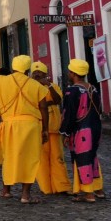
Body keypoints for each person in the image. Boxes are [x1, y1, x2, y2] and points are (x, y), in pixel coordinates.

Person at [0, 55, 50, 204]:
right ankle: (25, 195)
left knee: (9, 157)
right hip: (31, 126)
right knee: (30, 159)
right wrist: (45, 129)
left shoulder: (1, 80)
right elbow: (44, 108)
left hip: (9, 125)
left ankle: (6, 191)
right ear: (27, 69)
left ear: (13, 68)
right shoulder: (36, 85)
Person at [59, 59, 105, 203]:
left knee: (82, 159)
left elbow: (69, 114)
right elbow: (100, 109)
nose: (68, 74)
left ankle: (88, 194)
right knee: (92, 157)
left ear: (73, 73)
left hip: (82, 129)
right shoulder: (93, 88)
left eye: (69, 72)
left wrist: (65, 133)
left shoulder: (71, 91)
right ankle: (98, 189)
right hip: (95, 127)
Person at [30, 62, 69, 195]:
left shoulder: (53, 86)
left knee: (57, 158)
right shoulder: (30, 87)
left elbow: (57, 100)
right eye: (34, 73)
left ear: (45, 74)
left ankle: (61, 186)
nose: (36, 75)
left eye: (39, 73)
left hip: (54, 128)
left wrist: (49, 85)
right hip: (38, 128)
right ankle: (46, 187)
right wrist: (47, 103)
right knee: (42, 159)